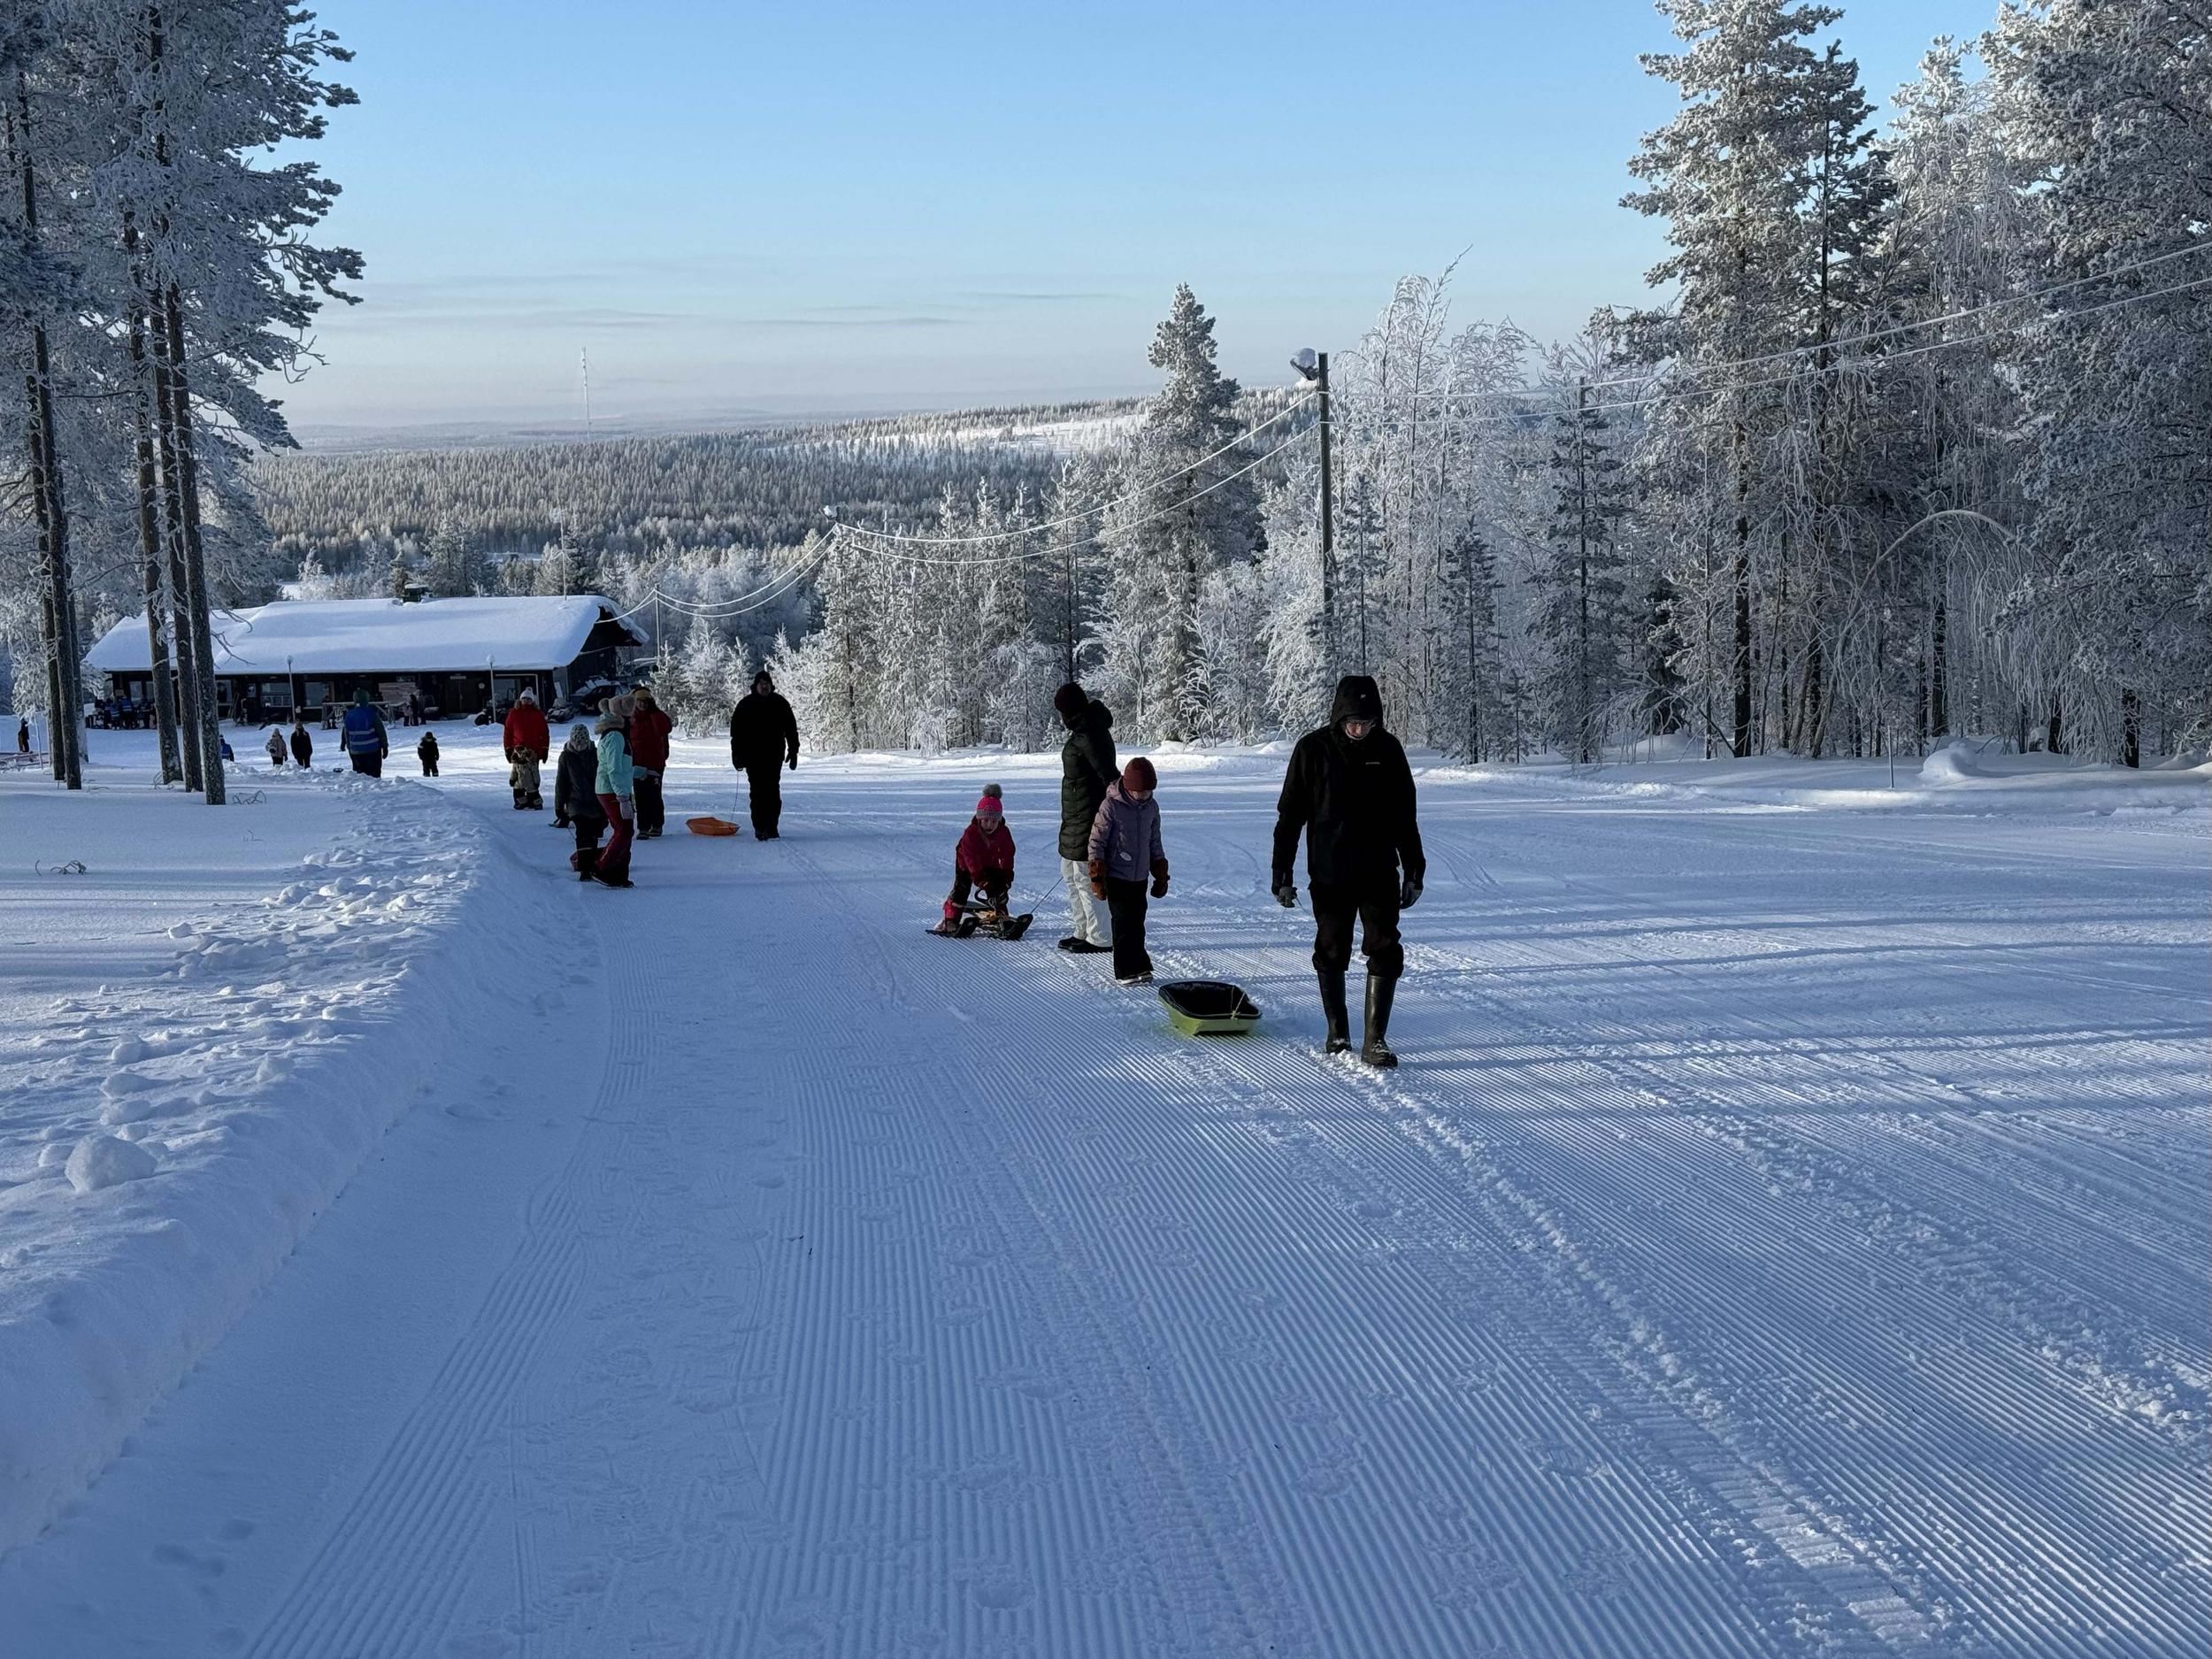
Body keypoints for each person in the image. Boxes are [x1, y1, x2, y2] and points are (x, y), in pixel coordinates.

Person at [1272, 674, 1425, 1068]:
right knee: (1331, 947)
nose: (1359, 729)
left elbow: (1404, 815)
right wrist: (1282, 873)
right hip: (1330, 872)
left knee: (1385, 946)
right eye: (1353, 722)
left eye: (1367, 723)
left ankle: (1376, 1040)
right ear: (1339, 717)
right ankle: (1337, 1030)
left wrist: (1414, 869)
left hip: (1378, 870)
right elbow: (1290, 817)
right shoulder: (1313, 750)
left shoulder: (1388, 749)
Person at [1087, 757, 1168, 986]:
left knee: (1137, 922)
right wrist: (1097, 876)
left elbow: (1154, 840)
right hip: (1116, 876)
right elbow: (1096, 841)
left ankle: (1140, 964)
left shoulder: (1151, 807)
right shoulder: (1111, 806)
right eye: (1139, 792)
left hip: (1139, 876)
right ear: (1128, 786)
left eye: (1147, 792)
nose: (1143, 796)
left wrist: (1160, 873)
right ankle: (1125, 970)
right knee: (1122, 923)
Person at [1053, 682, 1117, 955]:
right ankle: (1083, 930)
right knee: (1070, 874)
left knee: (1086, 877)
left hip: (1089, 818)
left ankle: (1100, 936)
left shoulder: (1090, 734)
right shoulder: (1083, 731)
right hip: (1075, 818)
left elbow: (1110, 777)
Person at [933, 784, 1016, 935]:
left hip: (989, 863)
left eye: (994, 821)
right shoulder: (971, 834)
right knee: (962, 889)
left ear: (999, 820)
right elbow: (971, 860)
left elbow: (1007, 855)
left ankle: (1001, 915)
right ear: (979, 818)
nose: (989, 824)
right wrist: (980, 879)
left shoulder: (1003, 833)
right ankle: (951, 920)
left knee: (998, 887)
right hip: (966, 864)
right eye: (985, 820)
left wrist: (1006, 877)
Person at [728, 670, 799, 840]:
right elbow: (736, 733)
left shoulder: (780, 703)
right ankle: (760, 827)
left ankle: (772, 827)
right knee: (757, 792)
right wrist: (736, 754)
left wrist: (794, 750)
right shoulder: (745, 704)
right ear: (756, 686)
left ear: (771, 685)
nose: (764, 686)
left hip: (774, 755)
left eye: (766, 683)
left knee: (773, 791)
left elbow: (791, 728)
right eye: (761, 683)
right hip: (752, 756)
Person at [593, 694, 637, 887]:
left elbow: (622, 766)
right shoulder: (615, 736)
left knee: (625, 830)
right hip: (612, 790)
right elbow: (614, 768)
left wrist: (640, 771)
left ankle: (619, 873)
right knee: (624, 830)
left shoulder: (614, 734)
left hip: (616, 789)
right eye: (631, 716)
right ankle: (603, 867)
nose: (633, 720)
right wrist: (623, 797)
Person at [554, 723, 607, 882]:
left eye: (582, 742)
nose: (579, 745)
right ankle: (585, 869)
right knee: (582, 834)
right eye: (576, 742)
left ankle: (592, 865)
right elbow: (561, 783)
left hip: (595, 801)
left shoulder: (596, 754)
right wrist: (559, 806)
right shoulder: (566, 757)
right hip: (575, 803)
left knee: (593, 834)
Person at [627, 684, 673, 838]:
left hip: (655, 763)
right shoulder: (630, 719)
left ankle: (657, 824)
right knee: (640, 796)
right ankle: (643, 828)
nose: (642, 704)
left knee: (654, 795)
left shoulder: (656, 716)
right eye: (639, 701)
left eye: (645, 701)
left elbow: (664, 729)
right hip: (637, 763)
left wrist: (654, 712)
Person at [503, 687, 549, 811]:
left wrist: (545, 749)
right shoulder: (514, 713)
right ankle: (520, 800)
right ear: (520, 700)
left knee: (532, 776)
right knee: (518, 775)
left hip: (534, 752)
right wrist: (507, 748)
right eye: (524, 699)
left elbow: (545, 733)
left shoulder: (537, 714)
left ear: (532, 701)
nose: (526, 701)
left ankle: (533, 799)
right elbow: (508, 732)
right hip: (518, 752)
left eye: (529, 699)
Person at [341, 688, 388, 777]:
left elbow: (346, 734)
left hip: (356, 751)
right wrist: (385, 746)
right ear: (366, 699)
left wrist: (349, 749)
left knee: (361, 778)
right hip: (373, 751)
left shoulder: (349, 715)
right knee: (374, 777)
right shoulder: (371, 713)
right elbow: (381, 731)